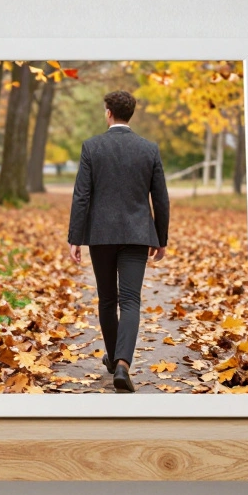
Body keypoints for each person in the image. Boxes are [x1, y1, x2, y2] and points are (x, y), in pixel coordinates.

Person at [67, 91, 170, 393]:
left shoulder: (92, 147)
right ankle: (121, 363)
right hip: (138, 236)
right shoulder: (148, 149)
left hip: (101, 236)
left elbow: (82, 195)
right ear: (130, 114)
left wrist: (76, 237)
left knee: (108, 300)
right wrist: (160, 238)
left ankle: (115, 361)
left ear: (109, 113)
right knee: (130, 300)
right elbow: (160, 199)